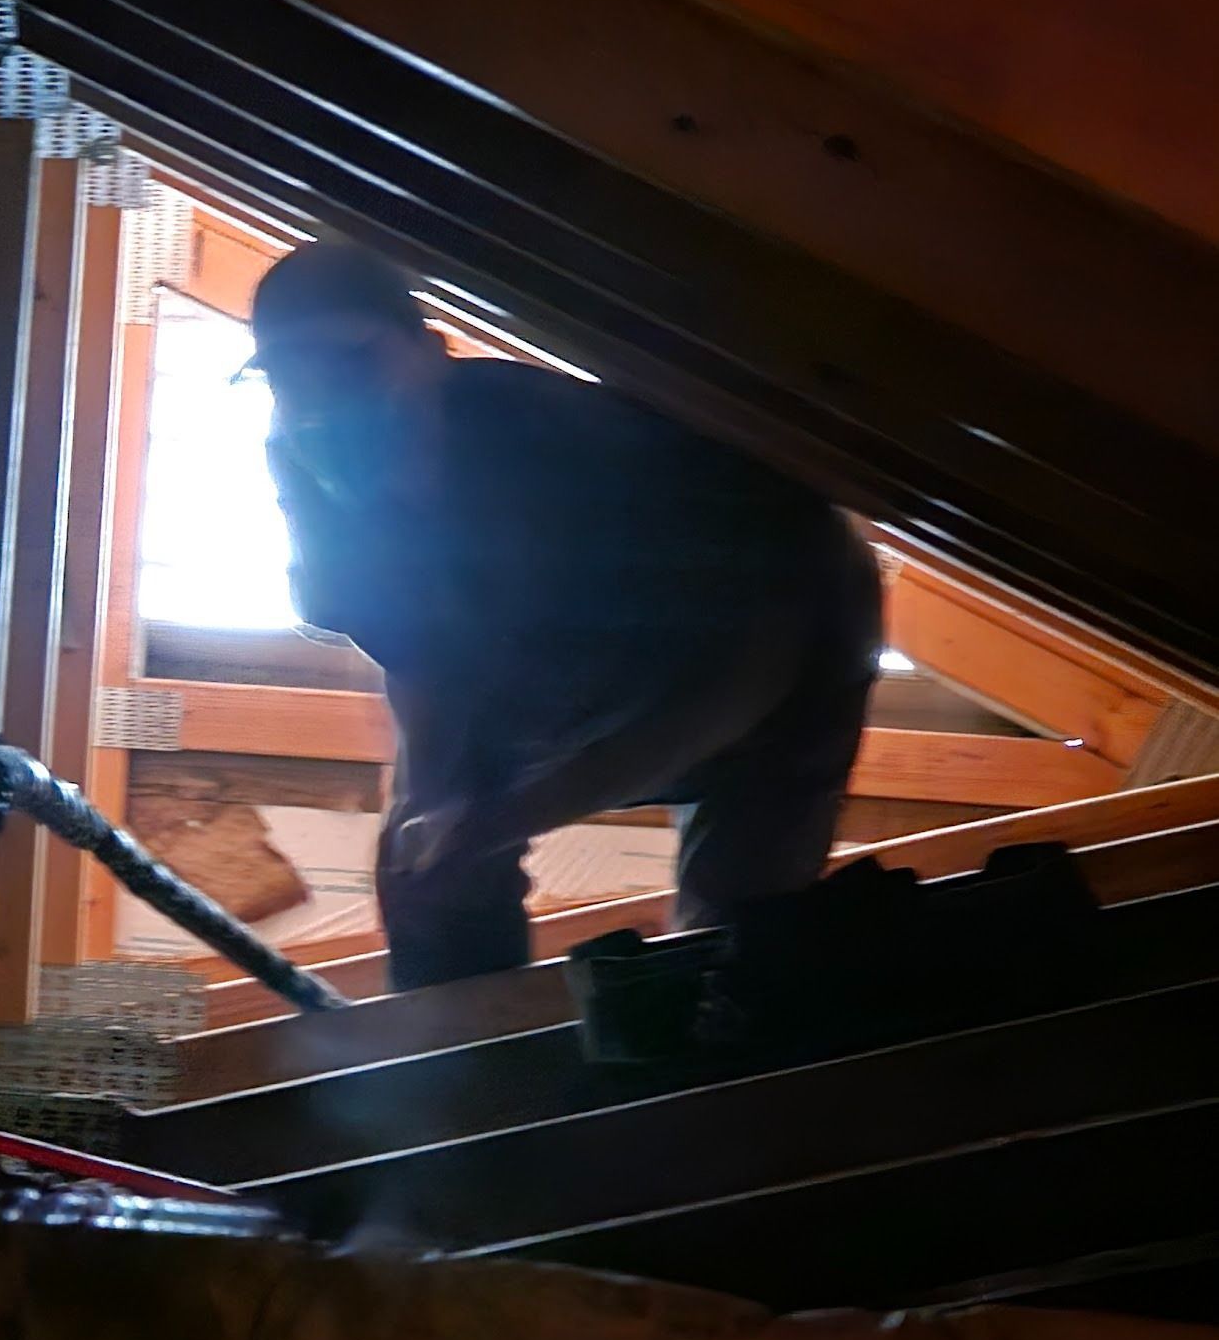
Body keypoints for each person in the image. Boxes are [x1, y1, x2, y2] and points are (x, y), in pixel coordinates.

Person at [250, 241, 883, 990]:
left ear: (432, 352)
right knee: (426, 871)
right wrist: (435, 810)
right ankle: (465, 1079)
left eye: (353, 362)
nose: (325, 399)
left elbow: (736, 686)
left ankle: (703, 1073)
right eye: (292, 376)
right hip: (560, 646)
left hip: (787, 628)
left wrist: (504, 816)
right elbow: (414, 648)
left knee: (738, 944)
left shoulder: (574, 456)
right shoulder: (304, 461)